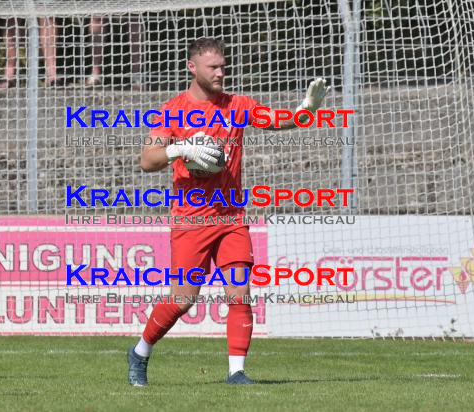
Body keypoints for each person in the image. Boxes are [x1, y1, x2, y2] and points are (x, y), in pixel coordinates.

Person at [129, 37, 329, 386]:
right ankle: (140, 351)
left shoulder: (238, 104)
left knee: (240, 292)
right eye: (213, 67)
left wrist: (306, 110)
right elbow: (148, 161)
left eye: (223, 66)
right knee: (182, 301)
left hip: (231, 218)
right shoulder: (171, 110)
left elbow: (280, 121)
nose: (221, 72)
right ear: (192, 68)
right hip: (190, 221)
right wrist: (181, 147)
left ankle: (236, 372)